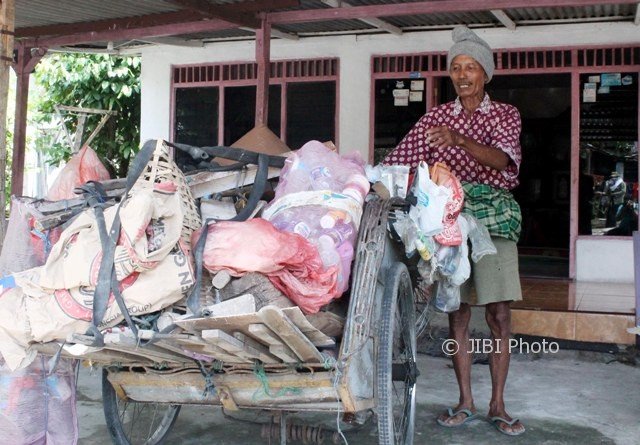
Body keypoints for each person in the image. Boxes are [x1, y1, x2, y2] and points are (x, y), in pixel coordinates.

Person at [383, 26, 525, 436]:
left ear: (487, 74)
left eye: (471, 67)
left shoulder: (504, 115)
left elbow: (502, 161)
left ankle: (498, 404)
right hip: (448, 219)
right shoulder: (435, 118)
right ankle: (466, 400)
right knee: (458, 312)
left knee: (498, 313)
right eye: (456, 68)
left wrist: (459, 140)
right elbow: (401, 159)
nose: (462, 75)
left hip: (495, 214)